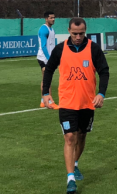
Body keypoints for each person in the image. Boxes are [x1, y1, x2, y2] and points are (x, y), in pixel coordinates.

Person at [42, 17, 109, 194]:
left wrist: (101, 93)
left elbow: (104, 71)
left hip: (87, 102)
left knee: (81, 136)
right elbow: (49, 69)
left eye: (81, 33)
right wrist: (46, 93)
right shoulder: (60, 49)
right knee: (70, 137)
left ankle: (76, 163)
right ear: (69, 31)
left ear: (85, 31)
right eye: (74, 33)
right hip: (67, 102)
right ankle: (70, 178)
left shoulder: (94, 49)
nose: (78, 37)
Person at [37, 11, 59, 109]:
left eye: (54, 17)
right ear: (46, 19)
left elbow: (52, 46)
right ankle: (50, 101)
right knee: (47, 79)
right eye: (51, 18)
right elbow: (43, 46)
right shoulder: (43, 30)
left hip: (48, 58)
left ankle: (43, 101)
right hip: (43, 58)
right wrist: (50, 60)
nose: (53, 19)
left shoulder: (51, 30)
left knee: (45, 80)